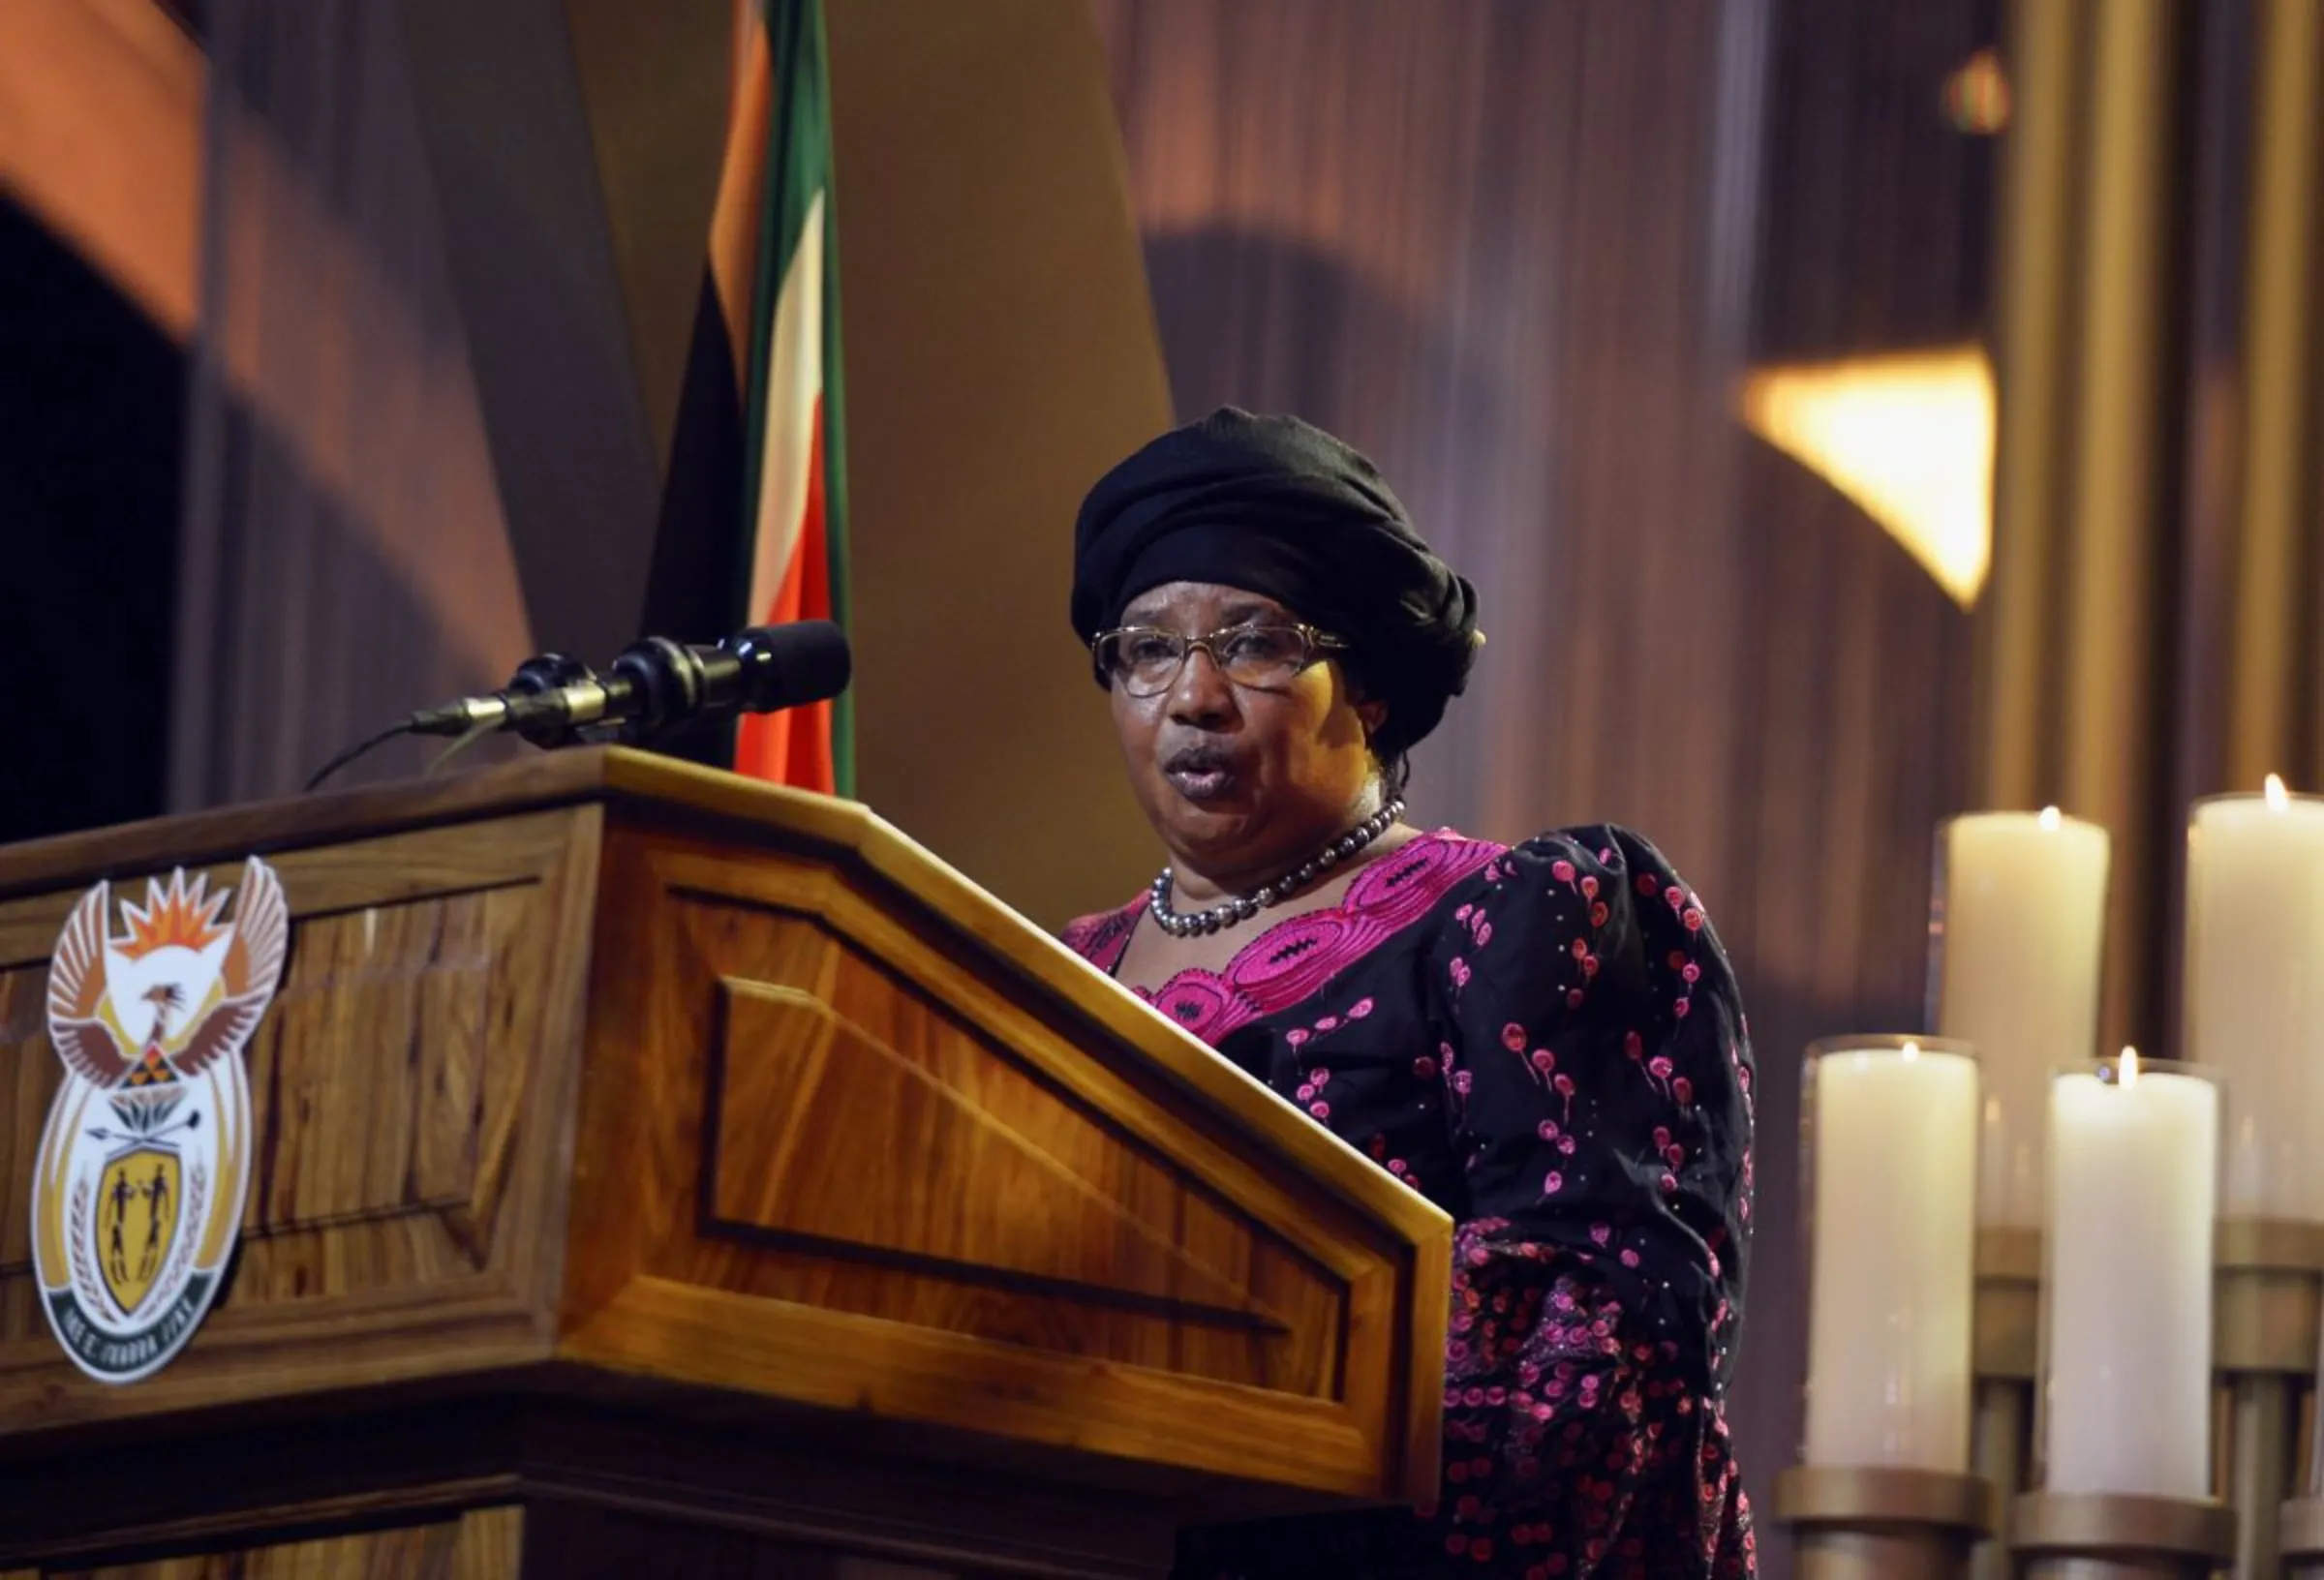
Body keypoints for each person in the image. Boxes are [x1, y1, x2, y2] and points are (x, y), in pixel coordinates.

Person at [1062, 410, 1757, 1580]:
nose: (1193, 696)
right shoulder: (1046, 979)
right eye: (1146, 650)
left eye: (1253, 642)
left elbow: (1601, 1354)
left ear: (1370, 688)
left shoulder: (1523, 920)